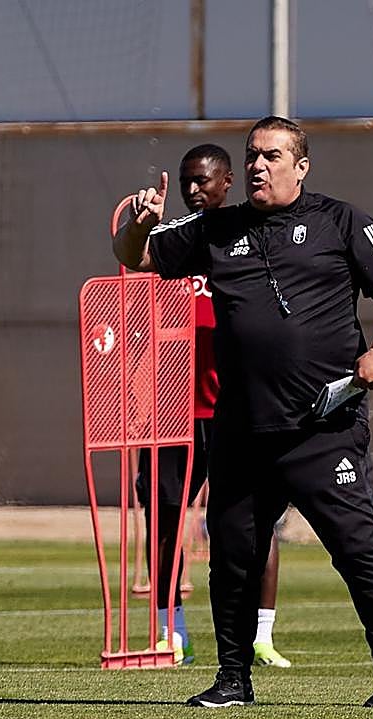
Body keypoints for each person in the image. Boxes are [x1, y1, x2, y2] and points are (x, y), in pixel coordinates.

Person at [114, 116, 373, 707]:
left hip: (323, 430)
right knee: (233, 559)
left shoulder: (342, 222)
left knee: (358, 551)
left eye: (273, 156)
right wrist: (139, 226)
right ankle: (233, 679)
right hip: (242, 432)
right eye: (252, 155)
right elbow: (137, 257)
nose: (258, 165)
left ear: (301, 166)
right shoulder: (215, 228)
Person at [135, 143, 293, 668]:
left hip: (235, 410)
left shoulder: (243, 241)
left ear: (228, 182)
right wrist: (144, 224)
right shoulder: (176, 244)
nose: (194, 189)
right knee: (163, 518)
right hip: (172, 412)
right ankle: (169, 630)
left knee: (256, 522)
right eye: (187, 181)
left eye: (204, 179)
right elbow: (133, 271)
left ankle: (262, 634)